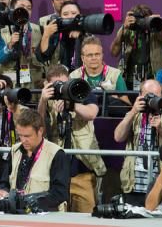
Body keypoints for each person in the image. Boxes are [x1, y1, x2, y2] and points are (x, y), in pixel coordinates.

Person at [38, 64, 105, 213]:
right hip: (55, 176)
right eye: (57, 85)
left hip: (82, 173)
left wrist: (72, 105)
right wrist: (43, 101)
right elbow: (38, 127)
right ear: (47, 84)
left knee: (86, 218)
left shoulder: (80, 90)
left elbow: (92, 113)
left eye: (64, 83)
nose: (62, 88)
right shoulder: (46, 100)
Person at [115, 79, 162, 205]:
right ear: (140, 96)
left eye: (156, 95)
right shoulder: (134, 114)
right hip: (134, 183)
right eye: (148, 95)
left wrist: (161, 129)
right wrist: (132, 112)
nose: (152, 99)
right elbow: (118, 137)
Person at [0, 108, 70, 212]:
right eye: (20, 135)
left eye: (27, 136)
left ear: (40, 131)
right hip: (17, 213)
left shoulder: (56, 154)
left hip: (45, 215)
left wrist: (30, 201)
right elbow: (5, 182)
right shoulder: (15, 150)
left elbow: (60, 193)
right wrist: (2, 191)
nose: (23, 140)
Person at [109, 4, 162, 91]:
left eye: (145, 20)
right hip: (129, 79)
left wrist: (161, 23)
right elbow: (114, 52)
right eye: (138, 20)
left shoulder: (155, 29)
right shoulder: (128, 29)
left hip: (154, 78)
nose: (141, 23)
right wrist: (123, 28)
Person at [0, 0, 45, 90]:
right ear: (13, 9)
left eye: (29, 8)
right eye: (21, 7)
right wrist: (10, 45)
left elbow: (44, 57)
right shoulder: (3, 32)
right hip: (11, 84)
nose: (25, 10)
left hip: (33, 84)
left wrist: (45, 77)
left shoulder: (39, 30)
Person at [69, 36, 130, 110]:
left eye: (97, 54)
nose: (94, 58)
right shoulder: (74, 76)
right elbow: (69, 105)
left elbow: (127, 106)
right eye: (89, 55)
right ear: (82, 58)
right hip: (82, 119)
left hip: (108, 119)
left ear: (102, 55)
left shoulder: (115, 74)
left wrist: (114, 98)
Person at [38, 1, 87, 71]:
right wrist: (46, 35)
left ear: (80, 15)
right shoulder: (55, 34)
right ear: (60, 17)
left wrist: (80, 37)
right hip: (59, 77)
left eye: (74, 13)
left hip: (81, 79)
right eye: (65, 14)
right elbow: (42, 57)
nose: (70, 16)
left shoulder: (87, 35)